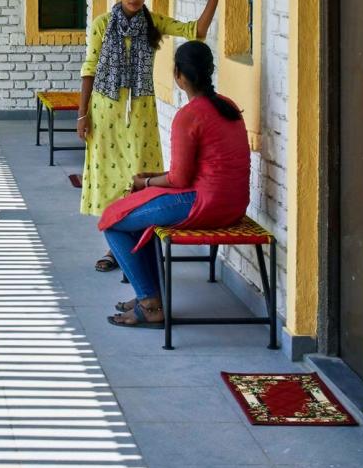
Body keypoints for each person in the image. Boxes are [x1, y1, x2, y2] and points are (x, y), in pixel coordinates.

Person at [99, 40, 251, 328]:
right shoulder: (227, 107)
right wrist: (154, 178)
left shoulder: (189, 115)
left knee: (113, 220)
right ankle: (149, 293)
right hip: (233, 204)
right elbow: (199, 169)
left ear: (178, 75)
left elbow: (180, 179)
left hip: (203, 204)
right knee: (137, 216)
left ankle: (150, 303)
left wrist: (145, 183)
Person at [77, 0, 219, 272]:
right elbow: (89, 68)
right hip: (105, 110)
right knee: (109, 177)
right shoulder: (102, 25)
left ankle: (136, 243)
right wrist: (82, 114)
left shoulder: (153, 23)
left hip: (140, 110)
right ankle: (113, 247)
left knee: (139, 174)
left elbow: (196, 31)